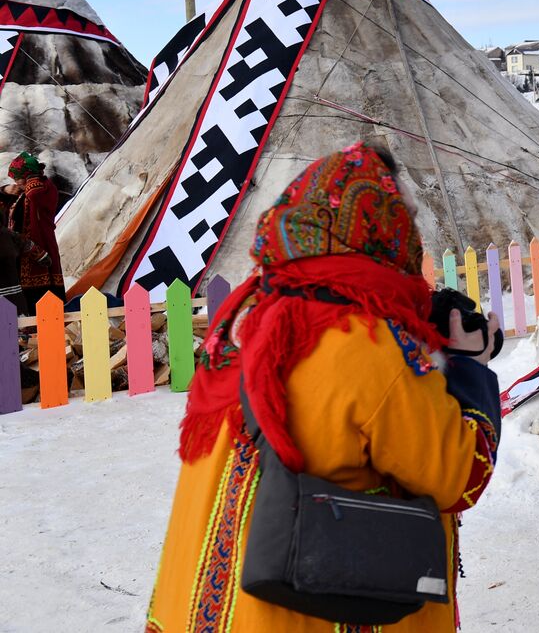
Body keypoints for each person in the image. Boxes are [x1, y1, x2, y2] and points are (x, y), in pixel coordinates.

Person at [145, 142, 501, 632]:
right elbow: (459, 474)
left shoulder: (248, 313)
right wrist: (469, 368)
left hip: (206, 605)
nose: (413, 234)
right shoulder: (367, 343)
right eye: (405, 217)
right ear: (379, 228)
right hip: (312, 610)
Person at [3, 152, 63, 309]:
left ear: (29, 175)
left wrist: (31, 177)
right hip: (23, 255)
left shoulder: (44, 189)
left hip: (42, 248)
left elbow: (34, 193)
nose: (16, 182)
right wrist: (5, 190)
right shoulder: (21, 195)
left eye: (18, 178)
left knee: (45, 301)